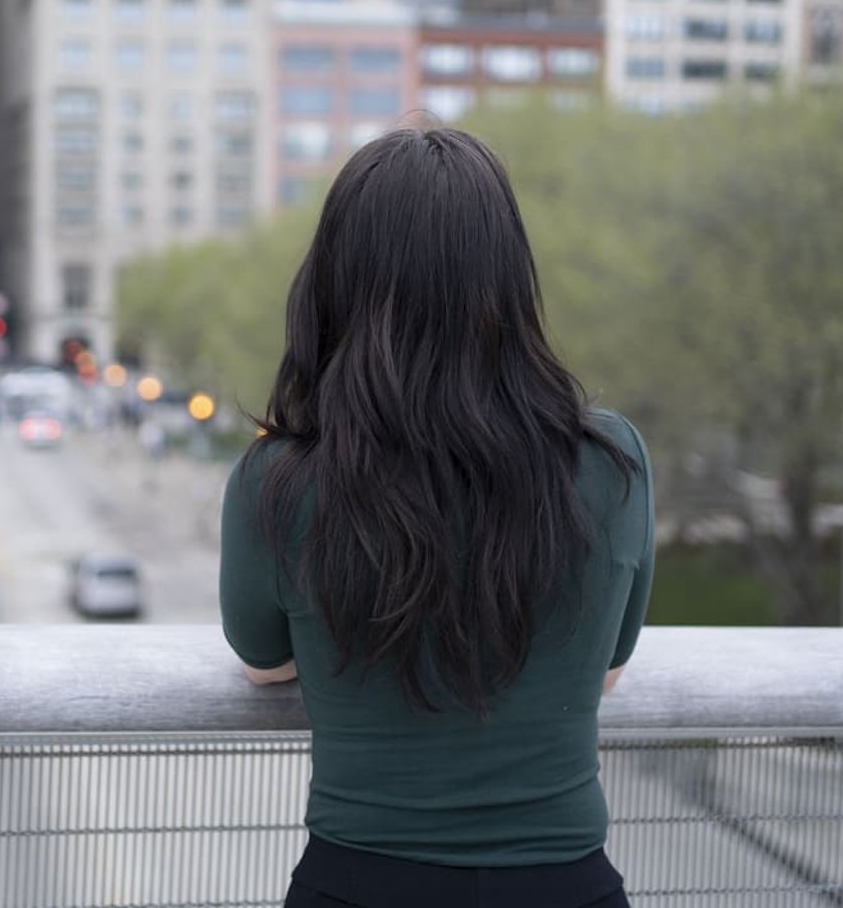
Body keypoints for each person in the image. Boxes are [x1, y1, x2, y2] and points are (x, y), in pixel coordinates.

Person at [219, 127, 654, 908]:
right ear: (509, 280)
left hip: (358, 884)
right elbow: (607, 670)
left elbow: (263, 665)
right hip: (565, 887)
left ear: (333, 281)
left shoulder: (279, 480)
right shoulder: (610, 461)